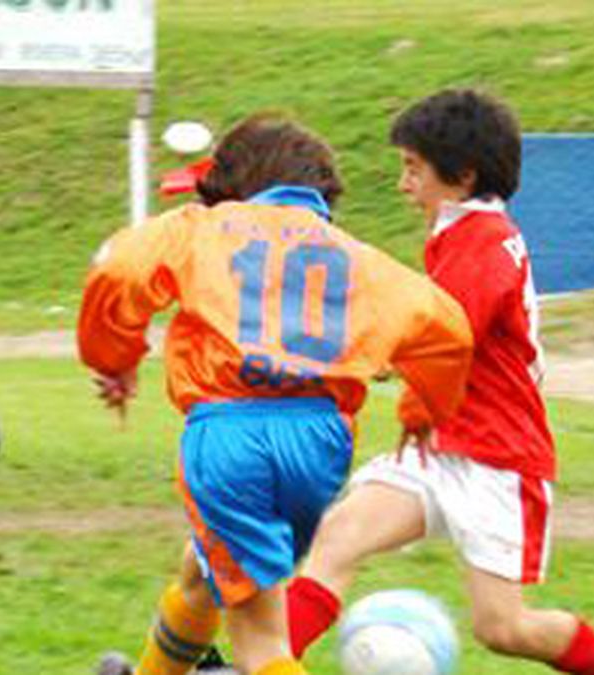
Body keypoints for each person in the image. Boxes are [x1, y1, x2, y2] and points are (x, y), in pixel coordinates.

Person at [283, 89, 594, 674]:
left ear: (461, 176)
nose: (401, 183)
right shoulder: (462, 232)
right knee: (338, 537)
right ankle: (259, 664)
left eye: (412, 168)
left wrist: (339, 359)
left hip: (498, 459)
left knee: (503, 628)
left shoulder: (482, 243)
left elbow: (436, 338)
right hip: (441, 447)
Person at [81, 114, 475, 675]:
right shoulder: (356, 256)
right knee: (202, 572)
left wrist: (113, 361)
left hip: (232, 438)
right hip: (320, 444)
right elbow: (448, 330)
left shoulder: (202, 227)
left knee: (261, 641)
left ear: (236, 188)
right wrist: (422, 409)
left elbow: (118, 268)